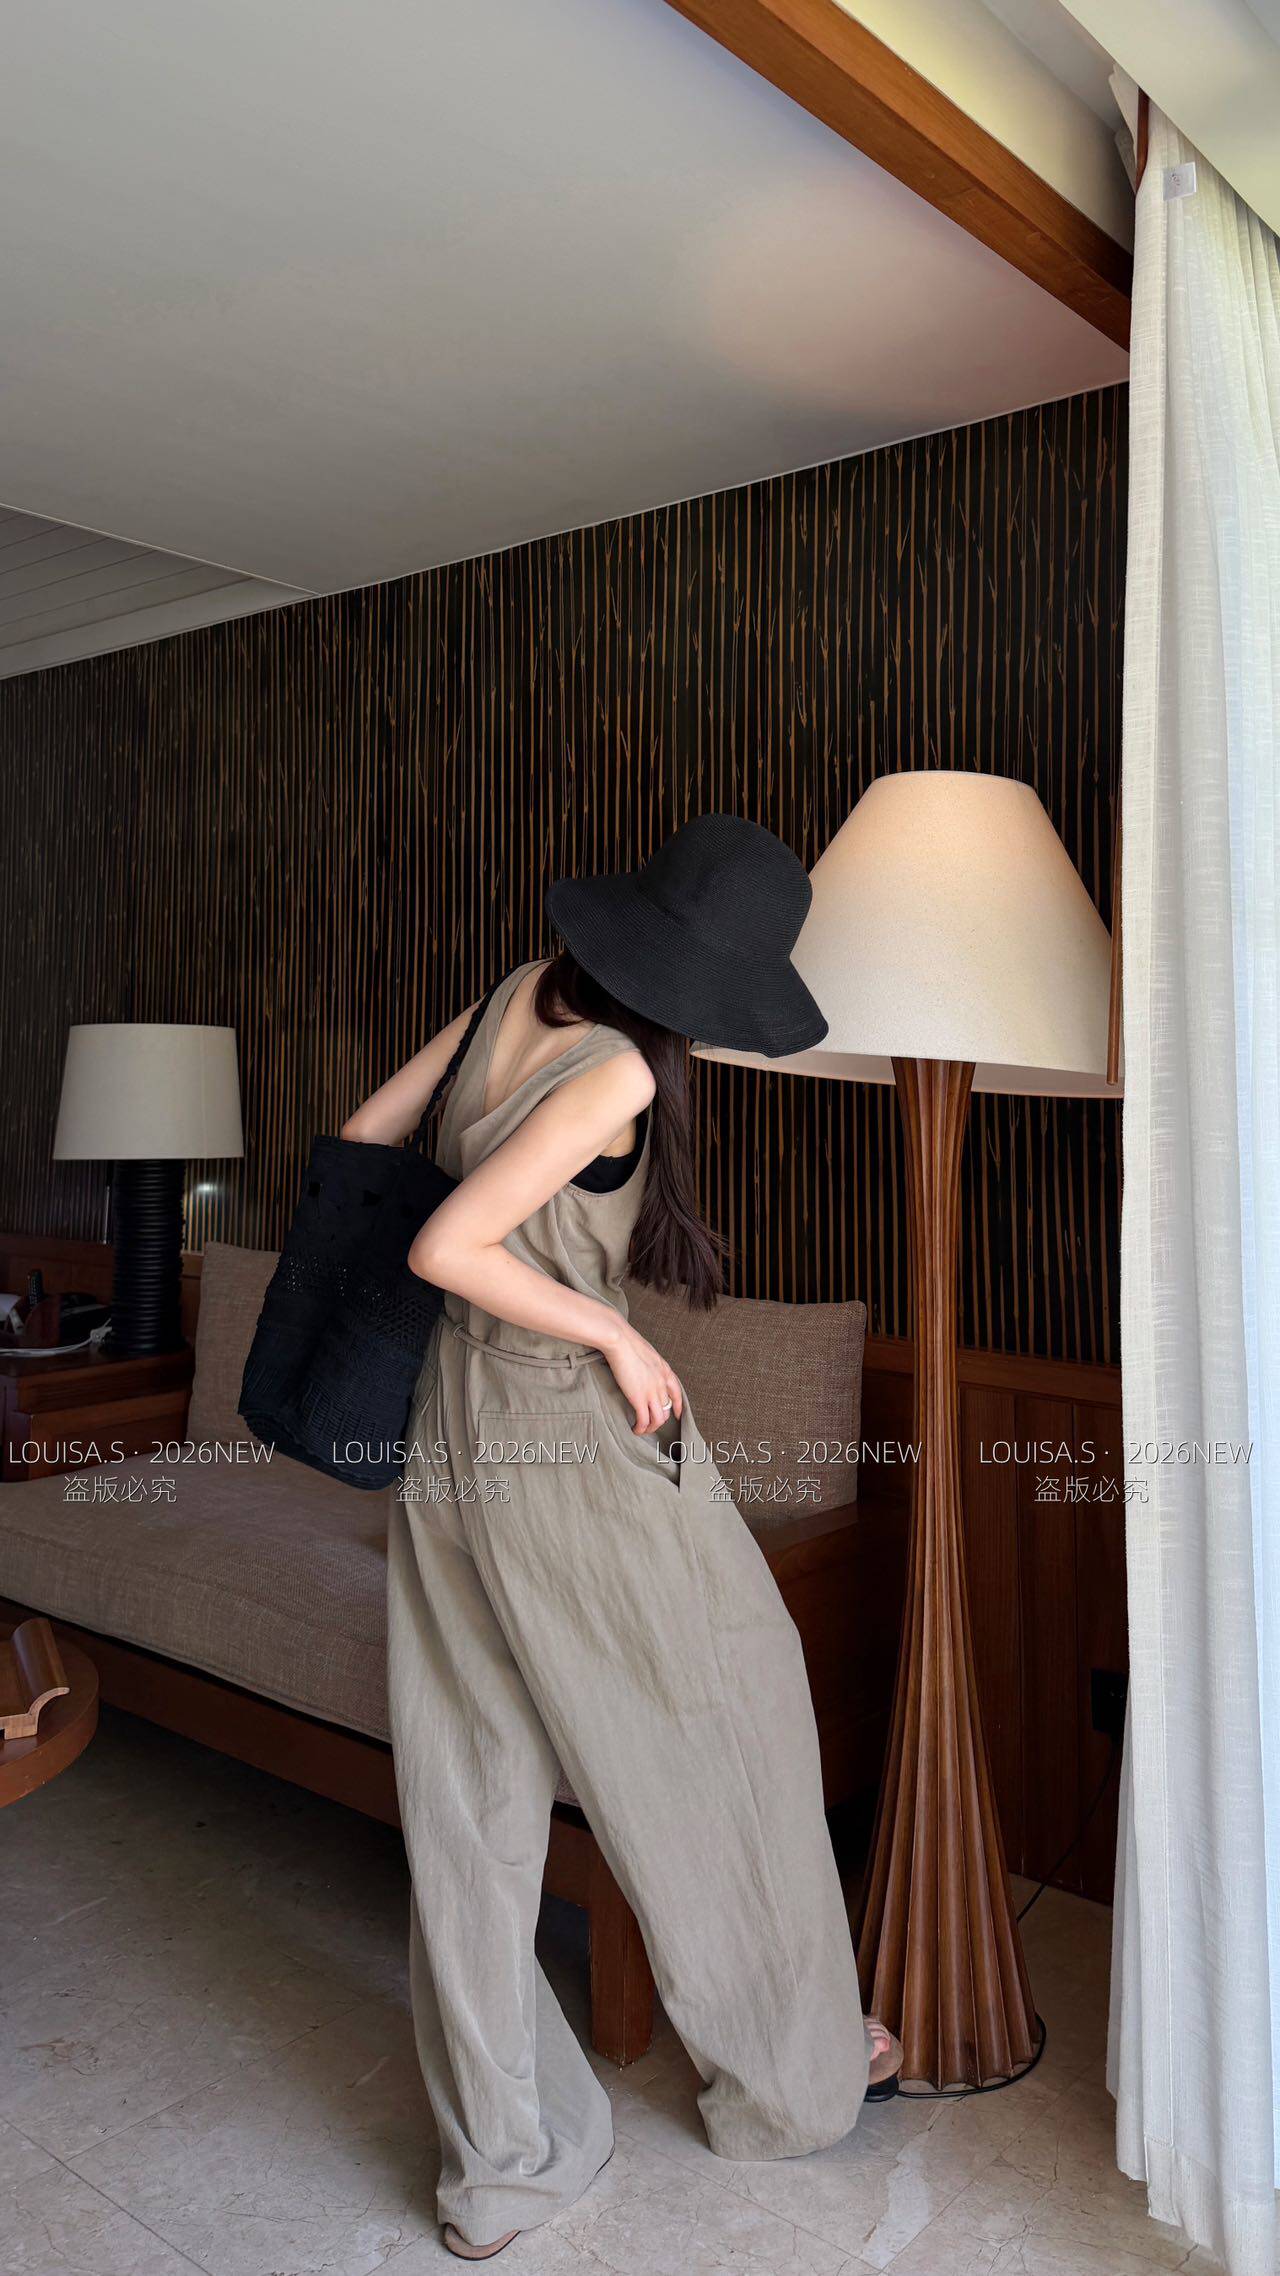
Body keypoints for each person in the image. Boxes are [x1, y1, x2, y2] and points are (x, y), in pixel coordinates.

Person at [343, 813, 903, 2261]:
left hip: (447, 1424)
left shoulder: (512, 997)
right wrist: (608, 1328)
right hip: (565, 1432)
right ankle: (796, 2074)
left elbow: (365, 1141)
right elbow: (446, 1244)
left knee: (472, 1786)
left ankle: (503, 2165)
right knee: (735, 1712)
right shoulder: (614, 1074)